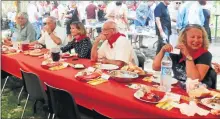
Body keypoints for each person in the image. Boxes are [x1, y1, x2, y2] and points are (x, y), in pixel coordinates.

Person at [153, 24, 216, 89]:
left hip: (198, 90)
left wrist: (187, 56)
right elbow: (156, 67)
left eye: (199, 37)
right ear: (184, 38)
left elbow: (194, 79)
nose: (196, 40)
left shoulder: (205, 55)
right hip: (178, 87)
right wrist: (162, 51)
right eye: (192, 37)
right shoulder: (177, 51)